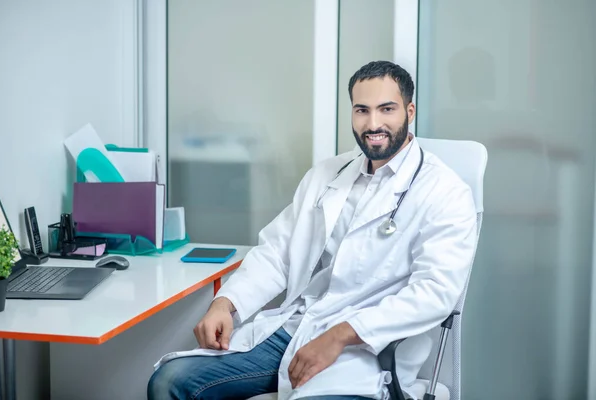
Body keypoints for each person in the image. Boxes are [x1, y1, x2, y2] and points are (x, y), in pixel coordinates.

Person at [147, 61, 477, 400]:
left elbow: (435, 292)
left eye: (386, 109)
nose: (373, 123)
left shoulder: (445, 192)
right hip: (298, 328)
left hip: (366, 353)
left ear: (409, 111)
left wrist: (340, 335)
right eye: (362, 110)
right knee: (170, 382)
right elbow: (277, 253)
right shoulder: (327, 176)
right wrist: (225, 304)